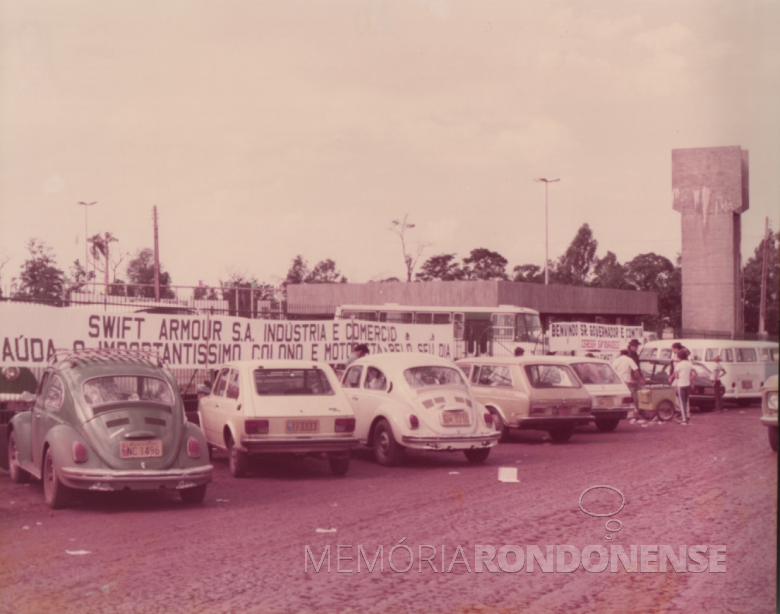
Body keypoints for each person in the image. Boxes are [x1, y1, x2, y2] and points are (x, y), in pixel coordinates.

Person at [670, 348, 697, 425]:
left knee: (681, 403)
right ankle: (685, 418)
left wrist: (677, 376)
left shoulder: (679, 364)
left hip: (681, 385)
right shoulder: (689, 363)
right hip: (687, 384)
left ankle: (684, 420)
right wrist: (689, 379)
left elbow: (676, 376)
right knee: (685, 401)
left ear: (679, 357)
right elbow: (696, 373)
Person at [612, 350, 642, 419]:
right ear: (627, 354)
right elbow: (636, 370)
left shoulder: (617, 360)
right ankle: (631, 414)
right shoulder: (629, 359)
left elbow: (613, 370)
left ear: (621, 353)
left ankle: (619, 413)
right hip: (626, 380)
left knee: (619, 397)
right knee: (629, 397)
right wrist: (640, 379)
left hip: (618, 381)